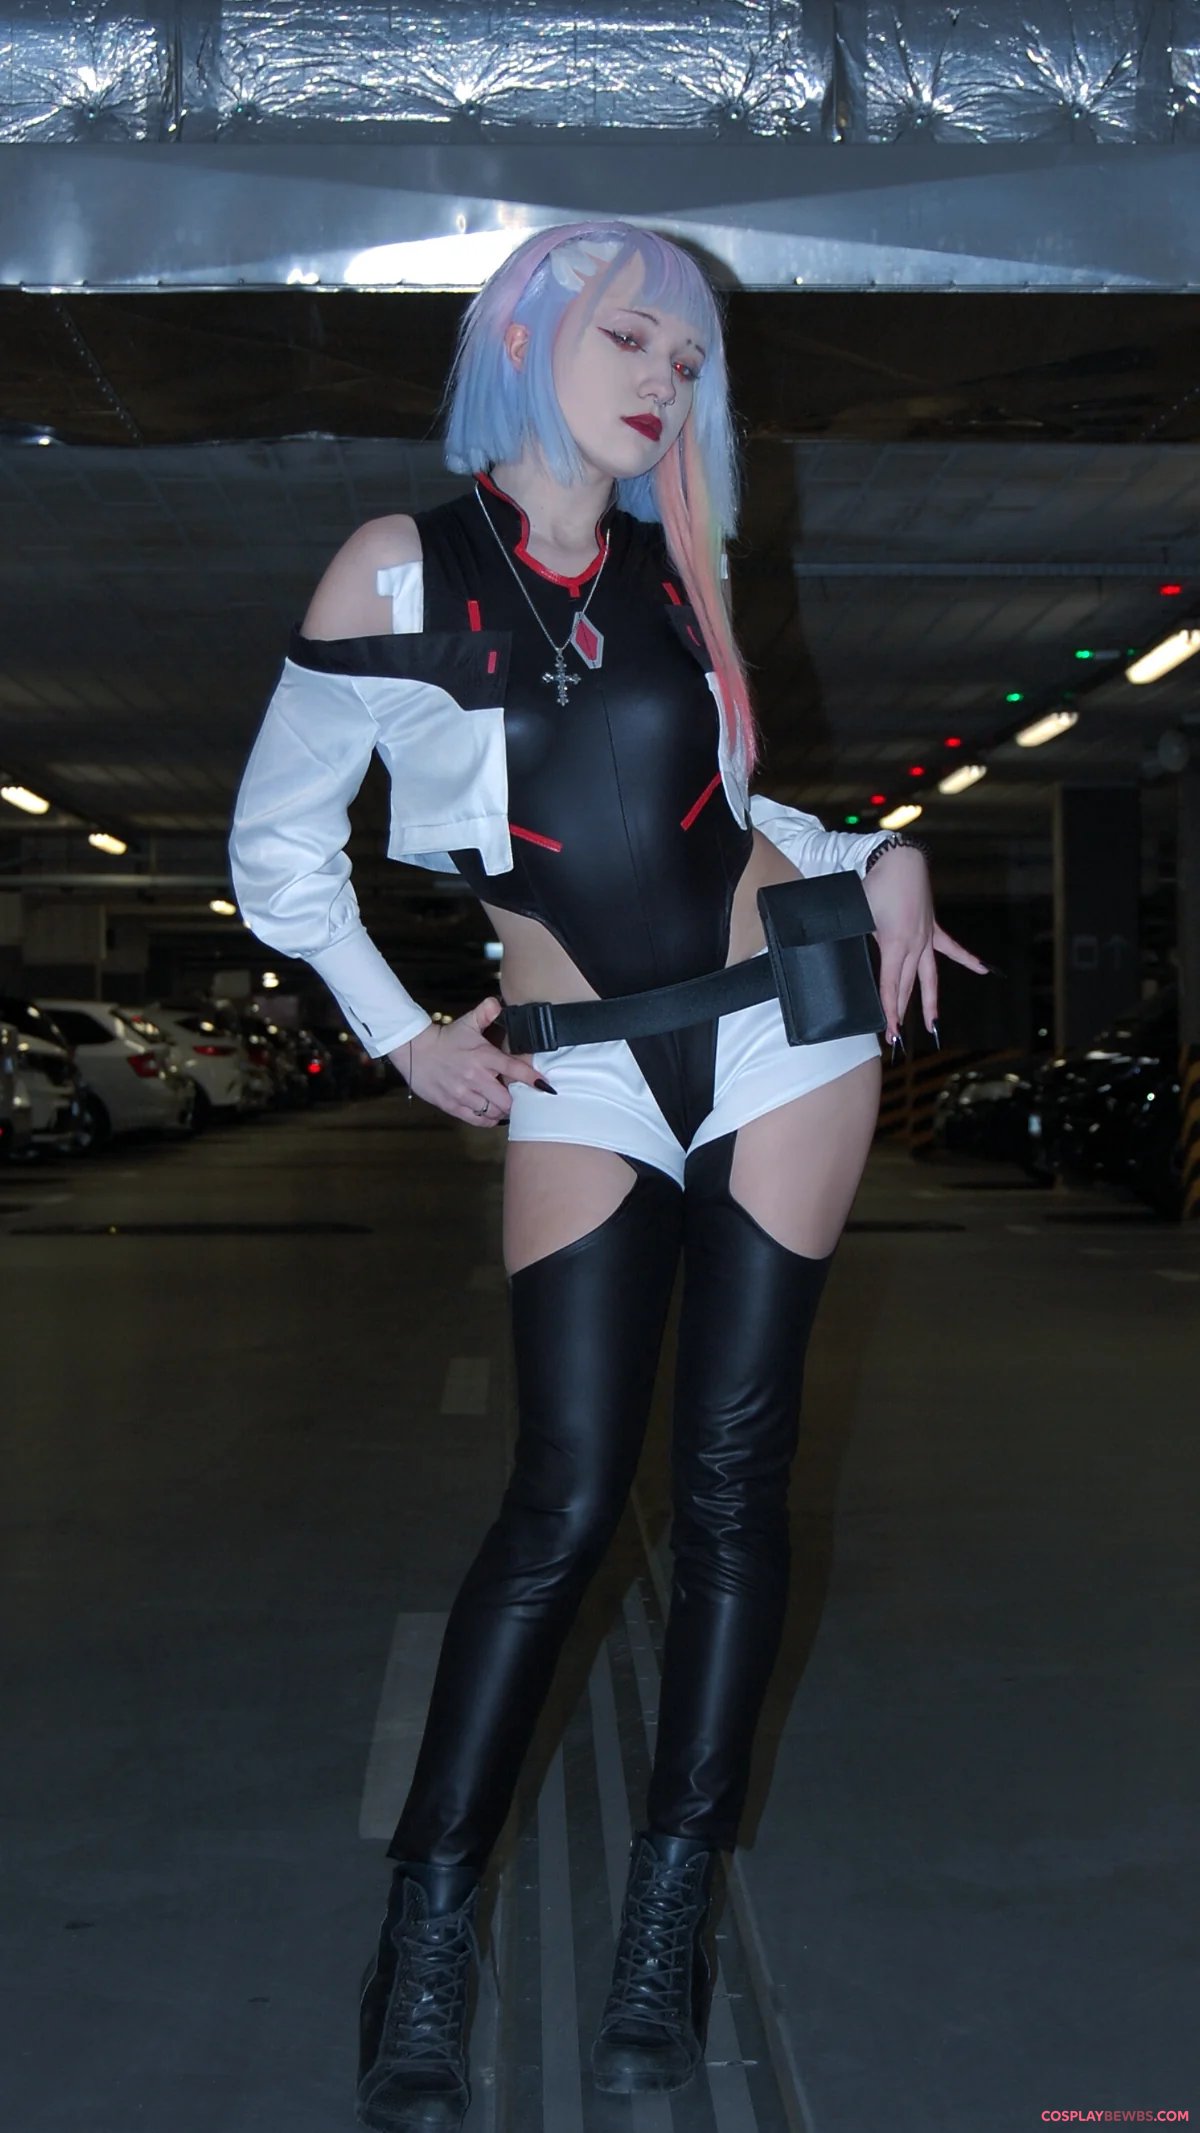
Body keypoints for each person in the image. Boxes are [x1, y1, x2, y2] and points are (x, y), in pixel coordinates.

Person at [229, 220, 987, 2132]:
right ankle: (426, 1922)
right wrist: (406, 1034)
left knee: (730, 1478)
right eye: (632, 336)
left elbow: (728, 813)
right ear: (525, 334)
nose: (665, 377)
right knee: (562, 1500)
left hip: (785, 1022)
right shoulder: (398, 569)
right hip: (575, 1061)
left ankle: (666, 1912)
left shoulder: (679, 568)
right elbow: (277, 848)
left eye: (690, 357)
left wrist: (881, 853)